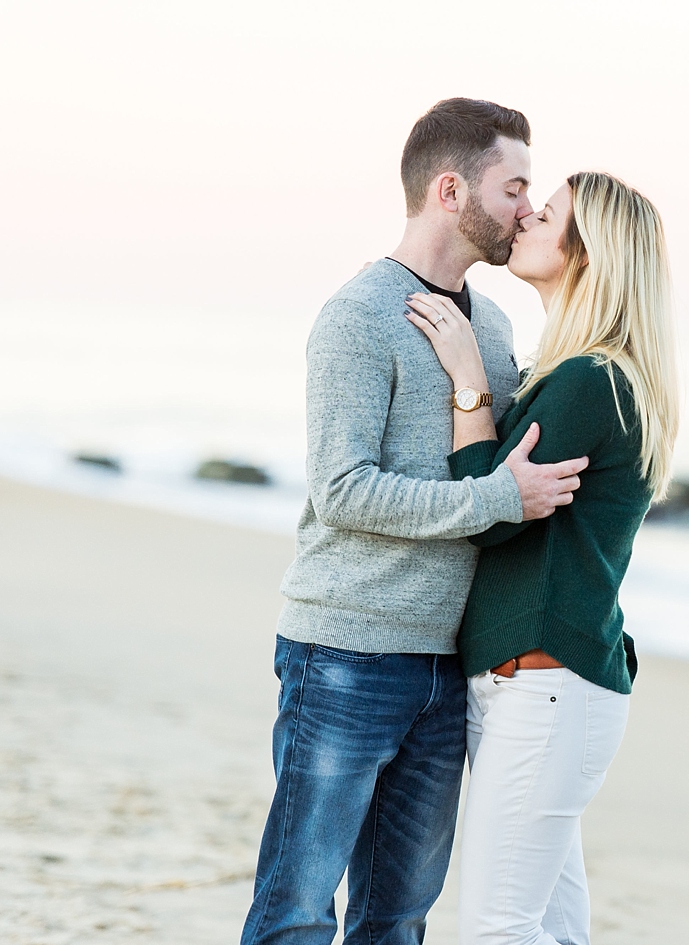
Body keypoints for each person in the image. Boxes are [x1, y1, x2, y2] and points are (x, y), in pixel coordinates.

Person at [242, 99, 590, 945]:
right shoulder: (360, 316)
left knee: (398, 919)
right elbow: (344, 490)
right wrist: (496, 500)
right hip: (346, 656)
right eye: (514, 187)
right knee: (295, 912)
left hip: (448, 669)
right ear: (449, 190)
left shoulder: (495, 325)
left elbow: (496, 462)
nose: (525, 209)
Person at [403, 170, 678, 945]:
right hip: (543, 686)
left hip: (546, 685)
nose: (524, 217)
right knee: (549, 925)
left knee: (499, 928)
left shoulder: (590, 380)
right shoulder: (577, 373)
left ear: (586, 254)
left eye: (545, 214)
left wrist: (467, 381)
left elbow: (489, 518)